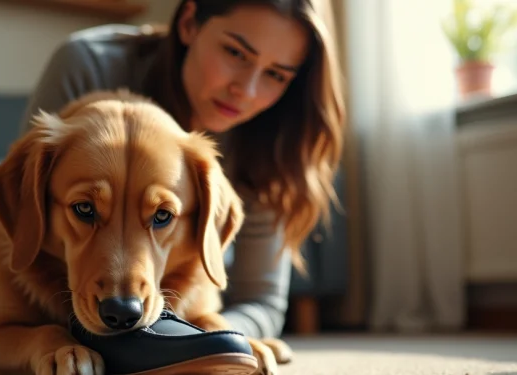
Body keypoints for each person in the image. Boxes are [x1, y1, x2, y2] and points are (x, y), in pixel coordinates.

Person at [19, 0, 346, 340]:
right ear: (189, 22)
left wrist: (203, 340)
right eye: (235, 53)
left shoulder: (274, 140)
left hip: (193, 302)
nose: (246, 90)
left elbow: (260, 301)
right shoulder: (89, 64)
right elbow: (29, 226)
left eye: (276, 74)